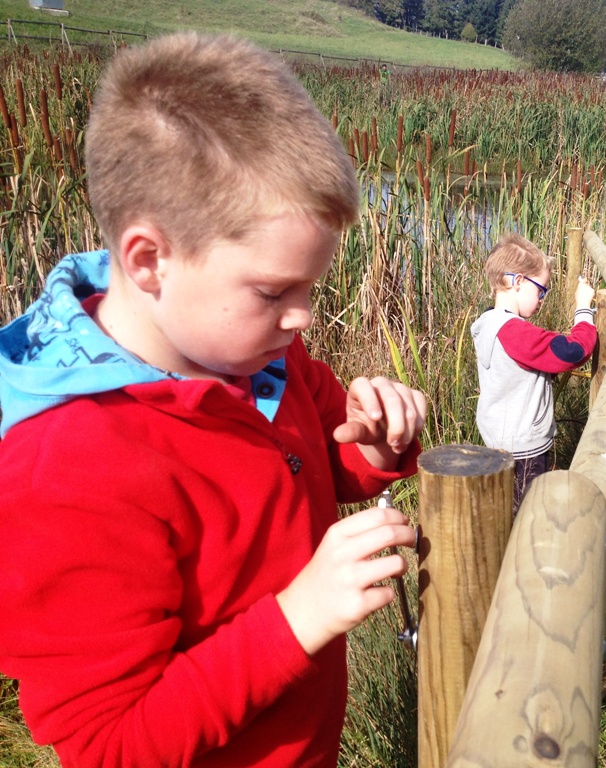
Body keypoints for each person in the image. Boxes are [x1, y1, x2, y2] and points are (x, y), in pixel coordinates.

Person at [0, 33, 426, 768]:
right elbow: (109, 747)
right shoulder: (66, 470)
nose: (303, 318)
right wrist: (299, 617)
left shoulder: (258, 354)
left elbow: (322, 461)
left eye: (310, 288)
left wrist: (377, 446)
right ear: (149, 260)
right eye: (273, 291)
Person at [471, 233, 597, 516]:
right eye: (541, 290)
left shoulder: (488, 322)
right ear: (517, 282)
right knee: (527, 518)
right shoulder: (516, 333)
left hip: (500, 442)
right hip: (524, 449)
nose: (542, 298)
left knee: (507, 512)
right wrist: (584, 311)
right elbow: (572, 352)